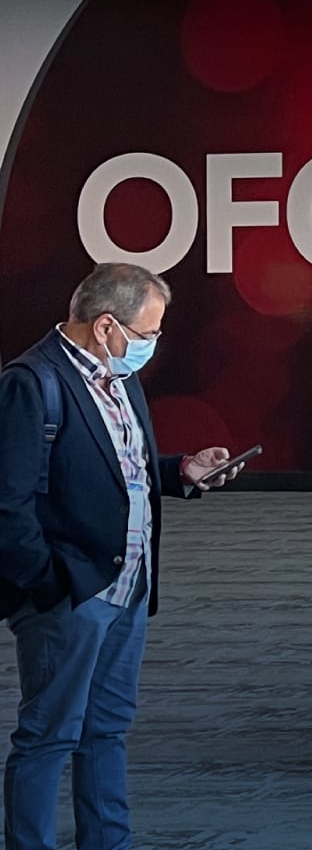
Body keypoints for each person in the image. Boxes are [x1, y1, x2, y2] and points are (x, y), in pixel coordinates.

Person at [0, 263, 243, 850]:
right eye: (148, 333)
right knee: (49, 736)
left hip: (129, 586)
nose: (153, 345)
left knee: (106, 730)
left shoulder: (119, 377)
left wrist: (180, 471)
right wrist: (52, 588)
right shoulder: (32, 383)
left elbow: (117, 472)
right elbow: (9, 505)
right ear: (106, 325)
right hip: (71, 596)